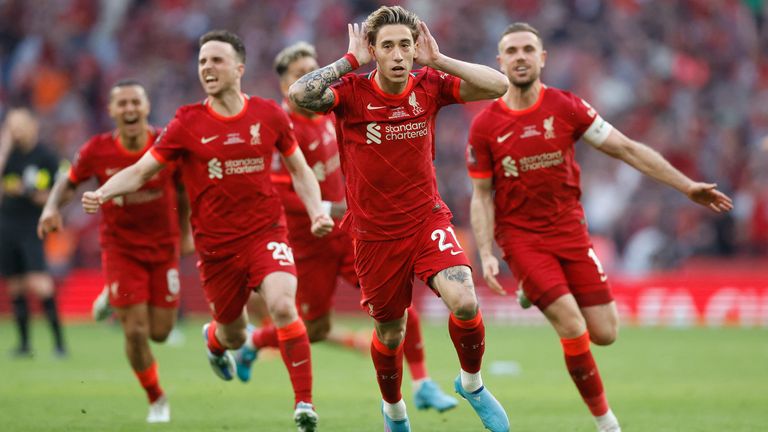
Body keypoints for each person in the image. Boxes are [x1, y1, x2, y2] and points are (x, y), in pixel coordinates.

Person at [466, 23, 734, 432]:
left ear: (542, 58)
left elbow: (626, 148)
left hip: (571, 232)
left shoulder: (568, 107)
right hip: (521, 238)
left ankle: (535, 288)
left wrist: (687, 186)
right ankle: (607, 424)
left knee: (605, 333)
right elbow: (482, 195)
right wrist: (485, 251)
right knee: (573, 327)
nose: (520, 57)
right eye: (511, 51)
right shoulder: (486, 125)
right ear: (499, 61)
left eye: (528, 49)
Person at [81, 30, 332, 432]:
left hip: (266, 232)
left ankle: (304, 405)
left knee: (284, 307)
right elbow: (144, 169)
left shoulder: (269, 114)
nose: (207, 68)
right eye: (201, 62)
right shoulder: (187, 123)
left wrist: (317, 210)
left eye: (216, 60)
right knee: (233, 335)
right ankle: (215, 340)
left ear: (239, 68)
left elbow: (300, 170)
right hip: (217, 250)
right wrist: (105, 191)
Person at [289, 6, 510, 431]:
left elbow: (498, 85)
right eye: (387, 46)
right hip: (373, 236)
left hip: (427, 220)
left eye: (405, 45)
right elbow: (300, 95)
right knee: (391, 334)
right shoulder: (351, 92)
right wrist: (348, 61)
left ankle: (473, 384)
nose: (397, 54)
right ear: (373, 50)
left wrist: (439, 59)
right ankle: (393, 410)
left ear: (414, 49)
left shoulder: (429, 84)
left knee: (465, 301)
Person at [236, 41, 458, 413]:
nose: (309, 77)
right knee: (316, 328)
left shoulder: (331, 113)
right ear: (285, 85)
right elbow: (276, 194)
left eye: (312, 68)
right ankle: (253, 343)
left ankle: (423, 383)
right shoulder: (279, 128)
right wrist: (326, 207)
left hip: (352, 232)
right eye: (298, 73)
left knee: (398, 307)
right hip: (309, 243)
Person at [37, 80, 191, 423]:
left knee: (161, 332)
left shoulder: (167, 144)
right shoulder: (97, 150)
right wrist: (51, 208)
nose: (130, 109)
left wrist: (186, 233)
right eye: (122, 103)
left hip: (163, 248)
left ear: (147, 106)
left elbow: (185, 192)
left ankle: (113, 295)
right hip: (121, 249)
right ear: (111, 111)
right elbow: (69, 181)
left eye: (135, 102)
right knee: (134, 331)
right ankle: (156, 398)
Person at [0, 107, 67, 358]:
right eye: (11, 126)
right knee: (15, 286)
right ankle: (24, 344)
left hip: (31, 227)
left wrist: (28, 193)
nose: (16, 130)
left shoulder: (46, 157)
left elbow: (60, 193)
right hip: (6, 226)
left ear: (33, 125)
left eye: (19, 125)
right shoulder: (9, 156)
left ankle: (60, 344)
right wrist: (5, 146)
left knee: (39, 283)